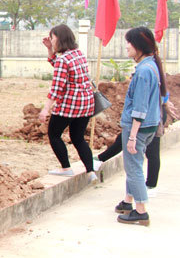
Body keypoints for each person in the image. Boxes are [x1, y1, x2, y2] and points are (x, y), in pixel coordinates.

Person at [115, 27, 165, 226]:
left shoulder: (144, 71)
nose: (126, 46)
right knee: (133, 164)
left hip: (139, 127)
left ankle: (141, 210)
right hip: (150, 125)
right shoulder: (151, 66)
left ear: (139, 46)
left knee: (133, 167)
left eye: (129, 42)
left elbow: (140, 106)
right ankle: (128, 201)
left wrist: (133, 136)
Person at [39, 24, 96, 181]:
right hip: (86, 103)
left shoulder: (63, 59)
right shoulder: (78, 54)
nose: (51, 40)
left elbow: (56, 88)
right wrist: (50, 49)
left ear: (59, 38)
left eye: (52, 38)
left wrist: (45, 109)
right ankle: (90, 171)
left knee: (54, 134)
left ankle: (66, 167)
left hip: (70, 104)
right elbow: (57, 63)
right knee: (78, 138)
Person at [95, 97, 177, 197]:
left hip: (149, 113)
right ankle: (100, 159)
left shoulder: (145, 80)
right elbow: (162, 90)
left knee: (151, 150)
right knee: (124, 138)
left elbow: (144, 96)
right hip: (153, 111)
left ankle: (151, 186)